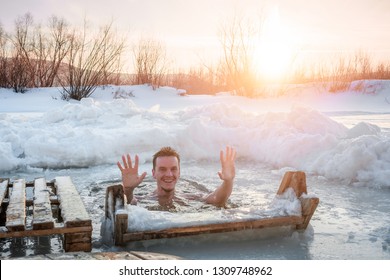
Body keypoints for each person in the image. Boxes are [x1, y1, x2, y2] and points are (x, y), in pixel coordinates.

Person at [117, 146, 236, 208]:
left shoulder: (190, 198)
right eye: (162, 169)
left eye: (173, 169)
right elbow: (127, 203)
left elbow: (217, 199)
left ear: (179, 172)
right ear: (153, 173)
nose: (169, 174)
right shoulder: (144, 200)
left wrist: (228, 181)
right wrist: (128, 189)